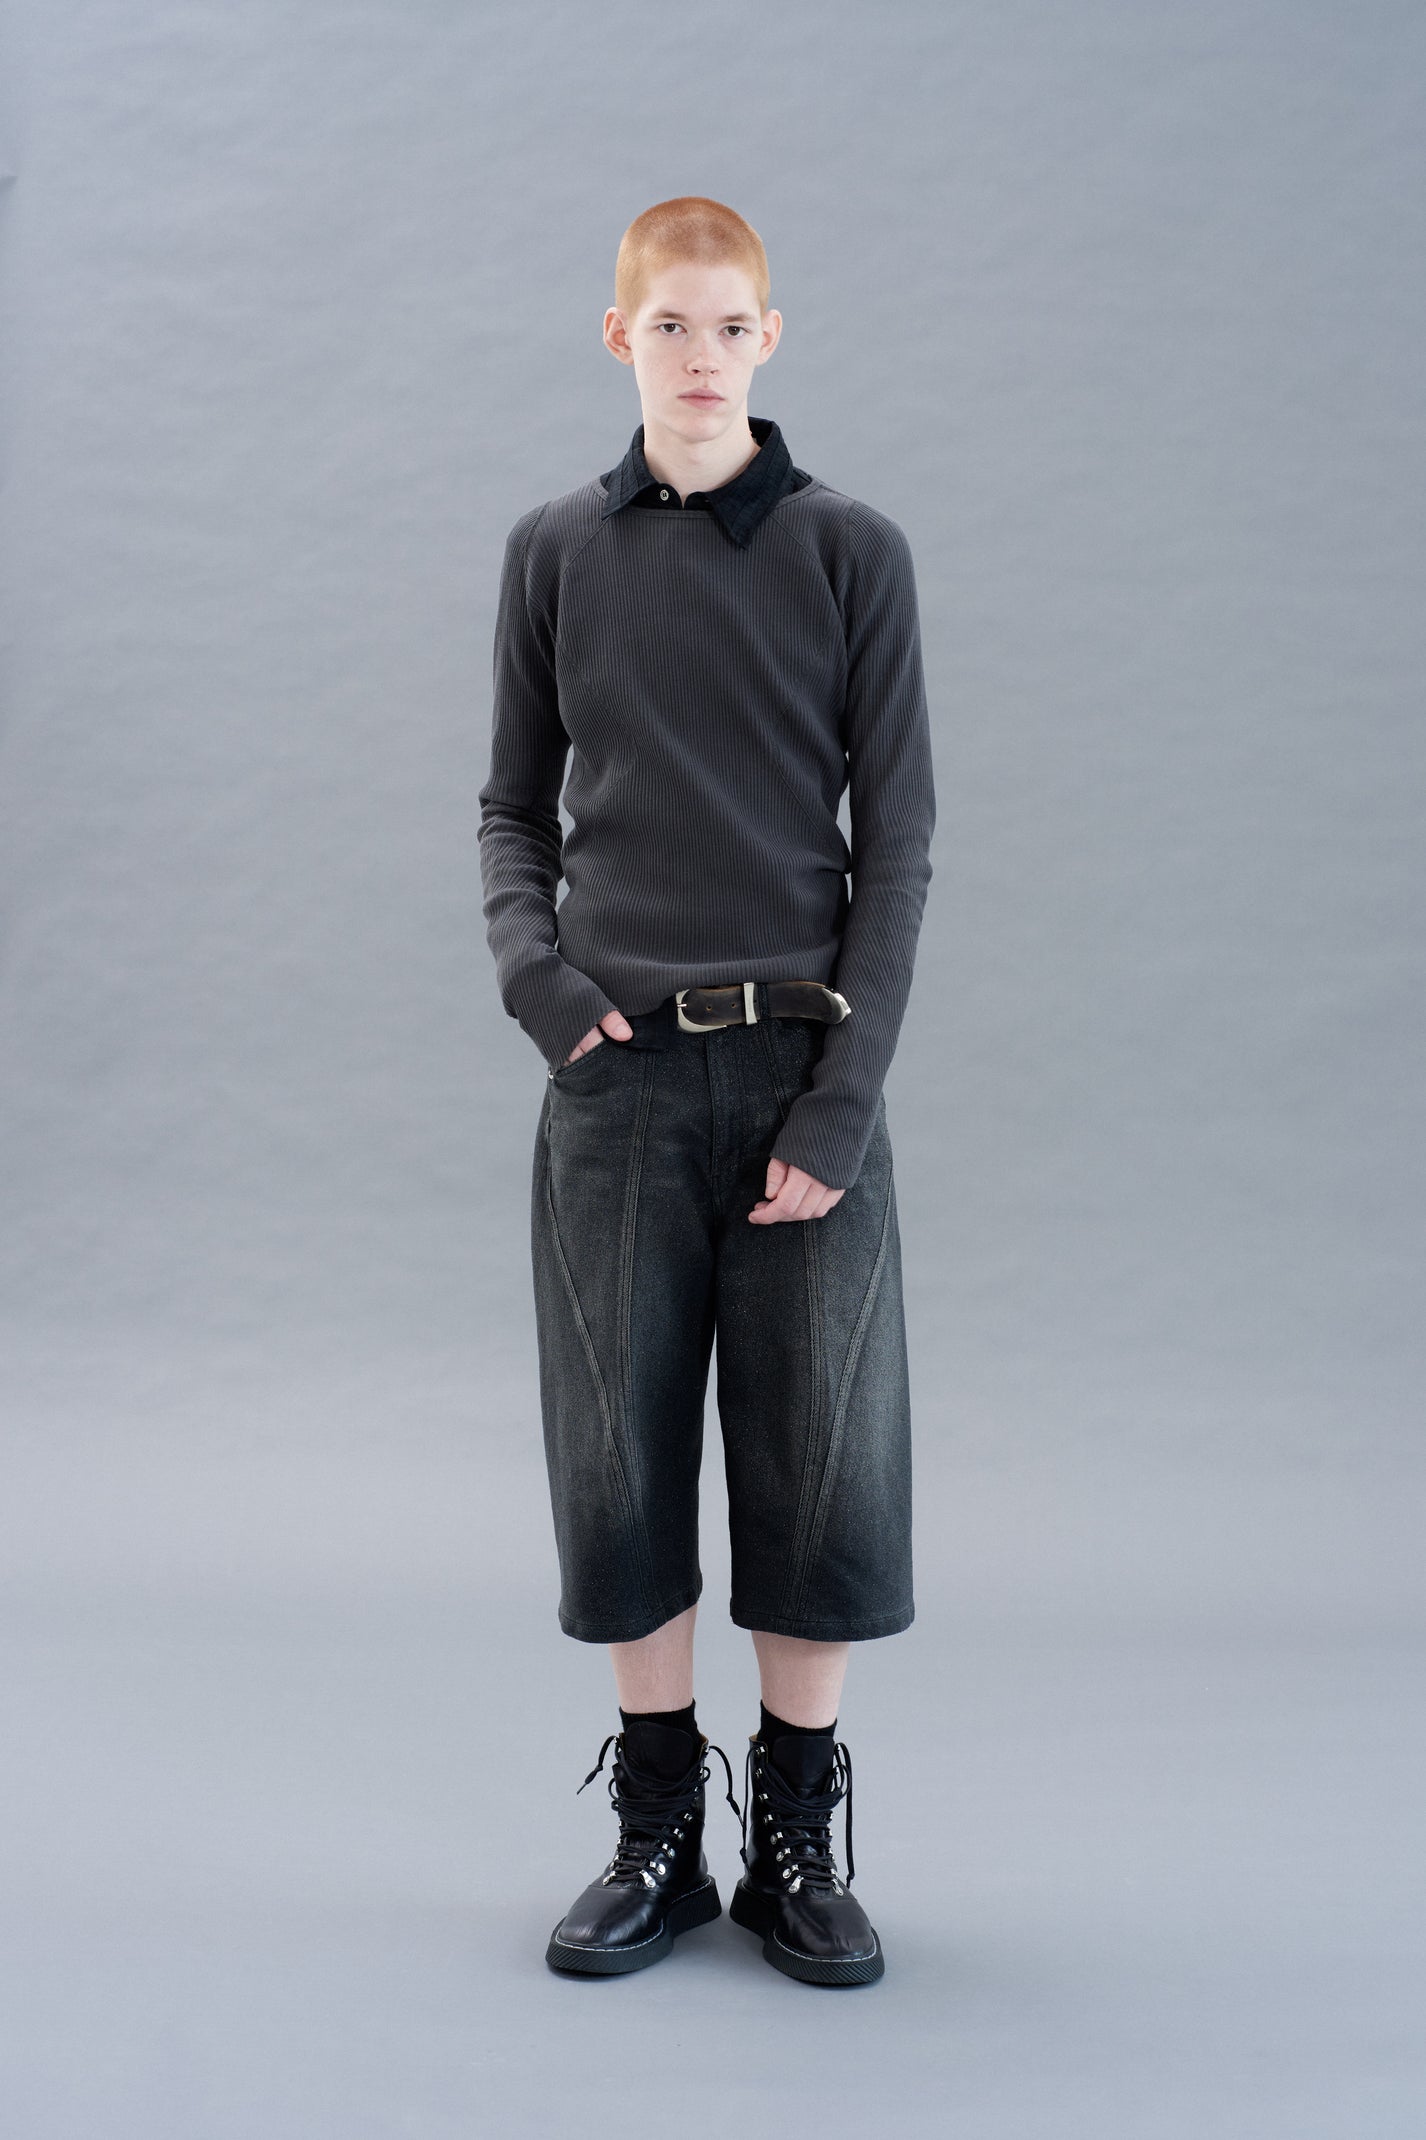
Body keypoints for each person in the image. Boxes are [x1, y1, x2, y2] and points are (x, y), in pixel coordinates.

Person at [477, 195, 936, 1988]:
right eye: (665, 325)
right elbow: (511, 807)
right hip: (616, 1079)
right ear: (619, 338)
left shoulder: (849, 552)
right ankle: (657, 1838)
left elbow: (897, 849)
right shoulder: (553, 551)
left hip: (803, 1071)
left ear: (768, 338)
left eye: (725, 326)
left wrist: (840, 1104)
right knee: (617, 1459)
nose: (696, 355)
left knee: (822, 1468)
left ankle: (795, 1840)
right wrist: (542, 986)